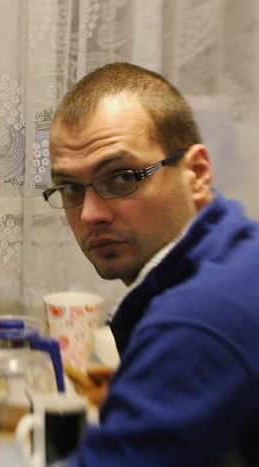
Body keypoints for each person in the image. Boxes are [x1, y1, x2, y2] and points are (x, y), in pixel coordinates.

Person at [41, 62, 259, 465]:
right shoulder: (234, 250)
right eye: (70, 188)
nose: (90, 214)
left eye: (122, 177)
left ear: (197, 173)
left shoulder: (199, 317)